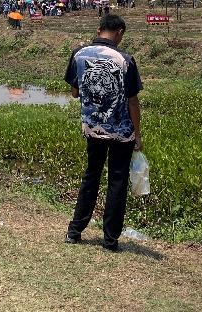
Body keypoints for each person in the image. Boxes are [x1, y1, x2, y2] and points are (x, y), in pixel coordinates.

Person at [64, 14, 143, 252]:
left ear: (99, 30)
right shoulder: (125, 59)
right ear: (119, 32)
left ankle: (74, 231)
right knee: (116, 182)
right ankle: (110, 240)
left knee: (91, 176)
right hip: (121, 132)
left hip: (92, 128)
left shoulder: (78, 54)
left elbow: (74, 93)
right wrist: (138, 135)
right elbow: (133, 102)